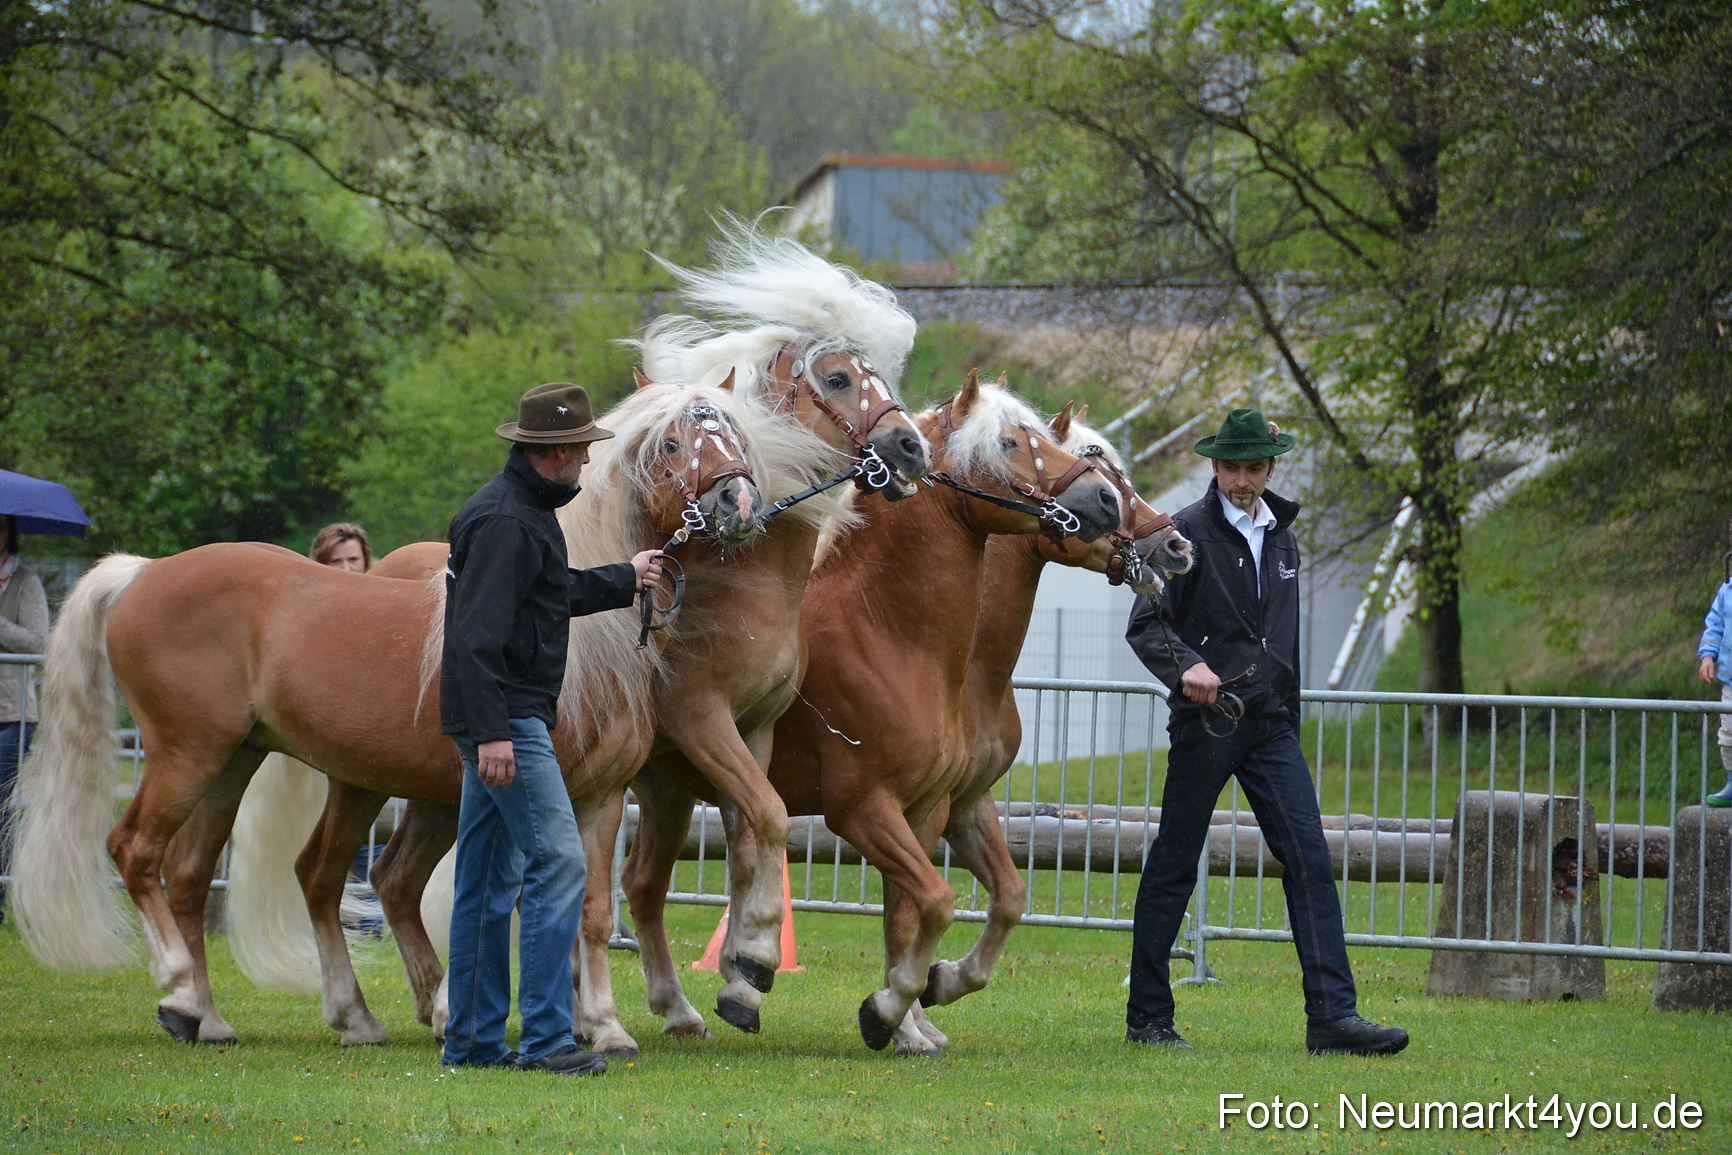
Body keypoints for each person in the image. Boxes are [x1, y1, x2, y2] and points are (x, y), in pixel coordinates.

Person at [1122, 408, 1409, 1056]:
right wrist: (1187, 665)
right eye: (1232, 467)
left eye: (1254, 467)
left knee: (1309, 858)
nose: (1243, 479)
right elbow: (1145, 624)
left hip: (1273, 723)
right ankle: (1148, 1016)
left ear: (1270, 466)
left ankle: (1334, 1017)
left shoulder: (1283, 534)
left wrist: (1290, 714)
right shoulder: (1183, 533)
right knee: (1174, 862)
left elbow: (1284, 638)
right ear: (1214, 467)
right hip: (1209, 721)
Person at [439, 382, 664, 1074]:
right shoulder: (509, 521)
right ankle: (546, 1037)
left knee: (483, 876)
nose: (586, 465)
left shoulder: (521, 512)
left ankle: (473, 1041)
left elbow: (548, 593)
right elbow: (475, 640)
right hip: (509, 720)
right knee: (561, 860)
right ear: (556, 452)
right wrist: (495, 734)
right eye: (582, 452)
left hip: (501, 717)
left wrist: (624, 578)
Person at [0, 514, 50, 924]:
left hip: (12, 713)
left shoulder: (24, 582)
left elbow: (38, 643)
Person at [1697, 569, 1732, 806]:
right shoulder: (1727, 590)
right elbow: (1715, 624)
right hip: (1731, 678)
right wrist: (1708, 656)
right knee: (1729, 733)